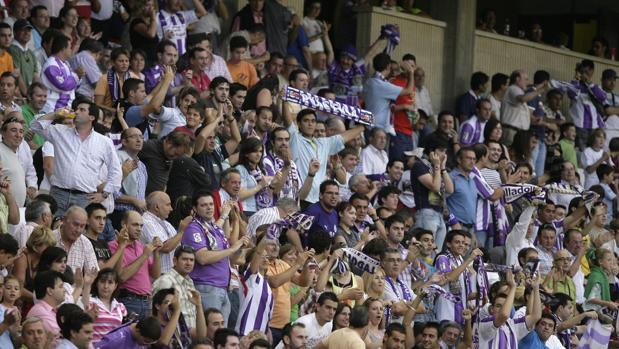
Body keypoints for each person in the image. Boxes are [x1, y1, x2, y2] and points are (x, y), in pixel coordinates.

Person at [31, 100, 122, 217]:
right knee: (53, 231)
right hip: (58, 193)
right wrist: (55, 114)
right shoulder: (60, 131)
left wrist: (104, 194)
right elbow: (34, 125)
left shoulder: (104, 141)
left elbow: (115, 170)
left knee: (77, 233)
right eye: (76, 109)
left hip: (84, 198)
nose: (76, 112)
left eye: (82, 110)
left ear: (92, 117)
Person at [181, 191, 249, 326]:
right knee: (209, 334)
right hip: (206, 287)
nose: (209, 207)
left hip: (223, 287)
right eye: (204, 205)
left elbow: (228, 254)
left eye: (211, 204)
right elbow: (202, 257)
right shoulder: (194, 229)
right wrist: (232, 248)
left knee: (220, 337)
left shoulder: (212, 228)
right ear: (195, 208)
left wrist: (239, 247)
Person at [152, 245, 200, 330]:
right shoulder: (165, 281)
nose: (188, 263)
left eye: (191, 260)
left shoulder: (190, 282)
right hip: (173, 336)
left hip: (189, 337)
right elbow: (157, 313)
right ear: (175, 261)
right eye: (184, 259)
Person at [141, 191, 188, 274]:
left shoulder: (166, 223)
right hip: (156, 278)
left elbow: (178, 247)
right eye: (168, 205)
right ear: (156, 207)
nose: (171, 209)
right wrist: (181, 232)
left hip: (170, 276)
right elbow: (165, 248)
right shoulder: (145, 222)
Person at [26, 270, 65, 335]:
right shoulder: (40, 312)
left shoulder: (54, 310)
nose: (65, 290)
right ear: (49, 291)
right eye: (61, 286)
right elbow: (59, 338)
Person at [94, 316, 162, 349]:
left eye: (151, 342)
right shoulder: (116, 339)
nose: (146, 345)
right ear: (137, 331)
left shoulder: (139, 327)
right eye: (146, 341)